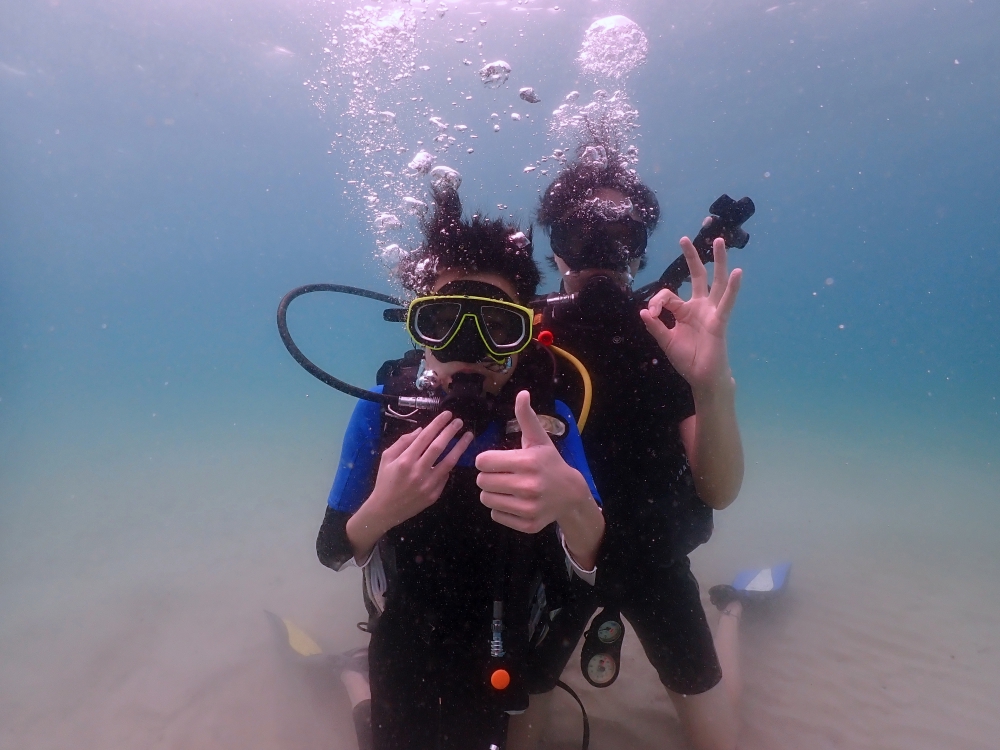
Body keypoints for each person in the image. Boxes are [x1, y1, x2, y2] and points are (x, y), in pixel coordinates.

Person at [314, 184, 606, 750]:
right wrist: (380, 510)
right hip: (405, 630)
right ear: (416, 331)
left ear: (524, 336)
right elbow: (331, 549)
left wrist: (571, 501)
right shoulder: (384, 413)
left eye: (496, 328)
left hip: (510, 628)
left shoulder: (546, 423)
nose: (465, 349)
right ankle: (355, 676)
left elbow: (596, 565)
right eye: (441, 322)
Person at [509, 149, 746, 750]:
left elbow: (718, 491)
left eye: (621, 239)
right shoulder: (521, 341)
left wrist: (710, 387)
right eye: (581, 237)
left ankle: (734, 612)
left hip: (654, 559)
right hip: (550, 567)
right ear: (555, 249)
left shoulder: (666, 339)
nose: (601, 257)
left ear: (640, 250)